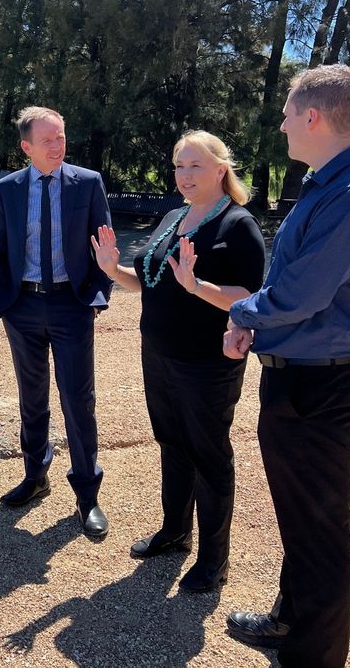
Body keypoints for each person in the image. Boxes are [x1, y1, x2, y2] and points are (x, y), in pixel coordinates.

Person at [223, 65, 350, 667]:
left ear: (314, 118)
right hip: (304, 378)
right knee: (303, 520)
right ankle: (288, 621)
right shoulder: (332, 183)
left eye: (287, 113)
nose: (281, 124)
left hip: (318, 385)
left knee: (319, 533)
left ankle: (313, 658)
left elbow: (298, 295)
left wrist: (243, 313)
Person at [90, 130, 265, 593]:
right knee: (171, 443)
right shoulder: (174, 216)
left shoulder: (237, 225)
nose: (185, 176)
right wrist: (112, 270)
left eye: (196, 166)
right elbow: (149, 281)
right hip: (160, 354)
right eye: (178, 166)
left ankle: (214, 560)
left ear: (220, 170)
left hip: (207, 362)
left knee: (209, 455)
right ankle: (175, 532)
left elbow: (248, 298)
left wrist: (198, 288)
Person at [0, 106, 113, 538]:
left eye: (61, 137)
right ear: (26, 147)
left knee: (79, 400)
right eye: (47, 140)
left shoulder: (88, 183)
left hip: (69, 305)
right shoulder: (7, 190)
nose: (58, 146)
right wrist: (3, 302)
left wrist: (95, 297)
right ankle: (36, 475)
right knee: (32, 397)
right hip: (23, 307)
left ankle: (87, 495)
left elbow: (104, 245)